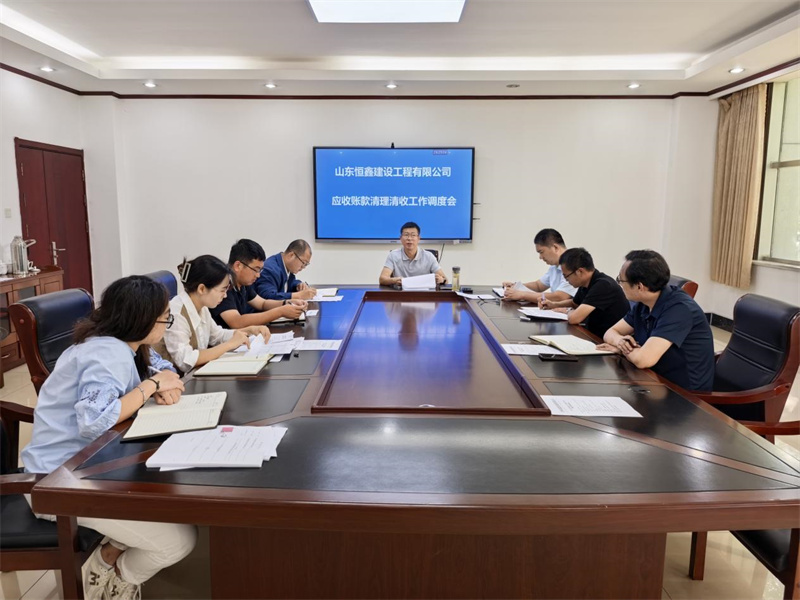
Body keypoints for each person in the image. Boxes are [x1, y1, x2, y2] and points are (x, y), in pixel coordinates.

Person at [20, 276, 197, 600]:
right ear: (142, 320)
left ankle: (107, 556)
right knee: (179, 541)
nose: (166, 324)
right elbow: (95, 420)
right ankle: (114, 578)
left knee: (173, 507)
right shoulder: (107, 353)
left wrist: (159, 383)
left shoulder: (122, 345)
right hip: (57, 484)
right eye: (165, 319)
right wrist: (152, 387)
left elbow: (165, 370)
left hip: (91, 470)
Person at [601, 250, 715, 391]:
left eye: (621, 280)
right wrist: (621, 342)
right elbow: (610, 332)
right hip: (654, 379)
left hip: (683, 393)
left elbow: (643, 360)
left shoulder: (679, 309)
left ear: (640, 286)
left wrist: (622, 350)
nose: (619, 284)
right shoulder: (644, 303)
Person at [162, 255, 270, 373]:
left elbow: (217, 336)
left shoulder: (202, 307)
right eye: (222, 290)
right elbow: (185, 361)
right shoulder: (177, 313)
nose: (225, 295)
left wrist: (249, 331)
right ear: (202, 289)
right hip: (179, 380)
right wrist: (229, 344)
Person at [210, 239, 309, 329]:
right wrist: (281, 312)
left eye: (260, 270)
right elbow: (236, 322)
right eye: (255, 270)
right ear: (238, 266)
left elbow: (262, 304)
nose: (258, 275)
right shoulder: (223, 285)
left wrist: (286, 302)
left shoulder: (243, 283)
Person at [539, 247, 630, 339]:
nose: (566, 280)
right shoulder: (586, 283)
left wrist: (567, 311)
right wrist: (554, 305)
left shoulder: (603, 285)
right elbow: (574, 303)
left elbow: (574, 319)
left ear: (579, 271)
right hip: (594, 334)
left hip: (608, 339)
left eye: (566, 276)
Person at [502, 228, 576, 303]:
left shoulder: (573, 263)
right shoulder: (554, 266)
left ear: (555, 248)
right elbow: (538, 286)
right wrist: (515, 287)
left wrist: (522, 295)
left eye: (541, 252)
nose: (540, 257)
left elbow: (560, 297)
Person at [379, 222, 447, 286]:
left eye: (413, 235)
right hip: (401, 292)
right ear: (400, 238)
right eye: (406, 235)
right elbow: (382, 279)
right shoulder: (393, 255)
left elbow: (445, 280)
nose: (409, 238)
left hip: (423, 292)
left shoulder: (428, 256)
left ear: (418, 238)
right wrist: (394, 280)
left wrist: (441, 280)